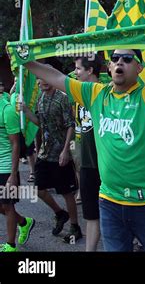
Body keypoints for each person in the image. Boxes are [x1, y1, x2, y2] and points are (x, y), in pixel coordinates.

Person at [23, 24, 145, 251]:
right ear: (109, 66)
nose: (120, 62)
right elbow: (55, 76)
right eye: (116, 58)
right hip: (110, 202)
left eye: (127, 59)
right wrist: (26, 61)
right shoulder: (95, 94)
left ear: (139, 68)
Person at [21, 73, 82, 243]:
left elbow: (71, 124)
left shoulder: (62, 98)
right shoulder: (40, 99)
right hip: (45, 152)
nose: (44, 82)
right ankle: (60, 213)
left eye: (47, 79)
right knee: (40, 190)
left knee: (66, 192)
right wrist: (25, 111)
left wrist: (65, 151)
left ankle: (75, 226)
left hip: (60, 153)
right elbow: (40, 122)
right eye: (40, 79)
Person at [72, 54, 102, 251]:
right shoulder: (77, 95)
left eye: (78, 69)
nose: (75, 72)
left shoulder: (107, 93)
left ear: (90, 71)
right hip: (87, 165)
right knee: (91, 215)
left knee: (118, 215)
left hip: (108, 165)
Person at [0, 91, 35, 251]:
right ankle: (23, 222)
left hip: (6, 167)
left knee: (8, 206)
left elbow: (16, 144)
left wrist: (13, 174)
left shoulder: (7, 110)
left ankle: (11, 245)